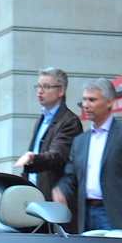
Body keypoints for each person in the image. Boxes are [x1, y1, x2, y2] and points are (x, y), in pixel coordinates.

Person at [52, 78, 122, 233]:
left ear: (109, 102)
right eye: (84, 100)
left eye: (92, 100)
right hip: (85, 214)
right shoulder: (80, 141)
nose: (85, 105)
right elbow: (71, 176)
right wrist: (61, 190)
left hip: (114, 214)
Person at [13, 67, 83, 203]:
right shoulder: (42, 119)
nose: (40, 91)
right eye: (38, 86)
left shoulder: (69, 121)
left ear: (61, 91)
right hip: (33, 193)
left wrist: (33, 158)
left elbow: (56, 156)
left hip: (53, 197)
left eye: (46, 87)